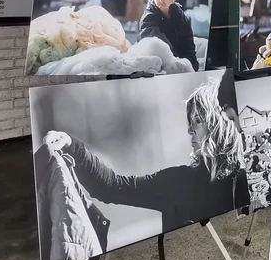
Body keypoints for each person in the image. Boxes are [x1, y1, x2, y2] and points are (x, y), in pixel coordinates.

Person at [42, 78, 249, 236]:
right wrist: (72, 146)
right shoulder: (178, 182)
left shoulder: (246, 178)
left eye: (197, 121)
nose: (189, 131)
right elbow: (112, 187)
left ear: (218, 125)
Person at [139, 0, 199, 71]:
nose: (161, 1)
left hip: (179, 61)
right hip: (158, 63)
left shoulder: (181, 17)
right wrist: (175, 61)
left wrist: (192, 65)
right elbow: (157, 42)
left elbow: (188, 43)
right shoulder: (149, 17)